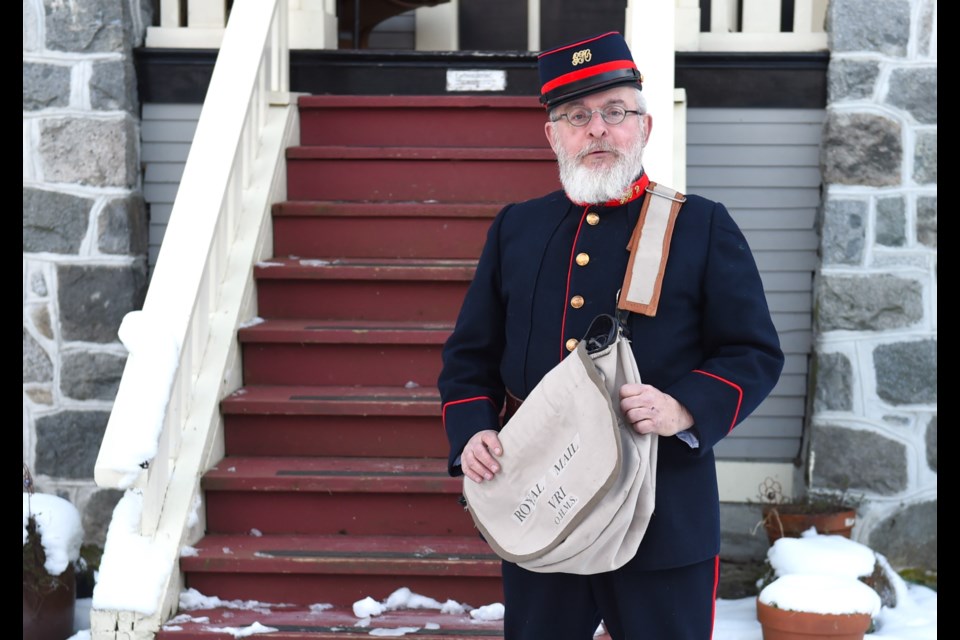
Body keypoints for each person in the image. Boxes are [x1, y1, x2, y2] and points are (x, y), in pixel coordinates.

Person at [437, 31, 785, 640]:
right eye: (576, 116)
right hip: (544, 503)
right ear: (553, 136)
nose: (596, 129)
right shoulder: (517, 228)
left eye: (614, 111)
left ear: (644, 127)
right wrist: (472, 430)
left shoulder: (700, 224)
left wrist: (684, 407)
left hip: (662, 512)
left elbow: (753, 350)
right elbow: (470, 355)